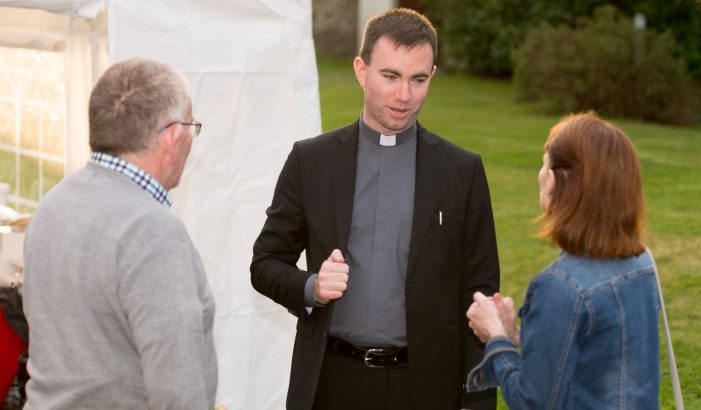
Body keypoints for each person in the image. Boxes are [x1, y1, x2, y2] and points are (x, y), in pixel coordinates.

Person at [251, 7, 500, 410]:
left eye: (418, 80)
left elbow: (481, 296)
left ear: (432, 76)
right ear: (361, 70)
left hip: (426, 388)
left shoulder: (461, 171)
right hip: (332, 382)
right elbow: (265, 263)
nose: (404, 95)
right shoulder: (311, 161)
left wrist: (478, 401)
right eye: (390, 76)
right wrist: (311, 287)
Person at [22, 58, 217, 409]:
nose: (191, 139)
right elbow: (178, 389)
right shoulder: (153, 231)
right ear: (173, 139)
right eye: (192, 127)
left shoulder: (53, 204)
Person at [465, 112, 661, 409]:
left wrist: (495, 337)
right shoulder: (641, 264)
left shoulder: (561, 286)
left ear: (553, 181)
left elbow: (532, 402)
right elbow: (599, 359)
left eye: (544, 163)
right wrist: (516, 335)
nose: (540, 174)